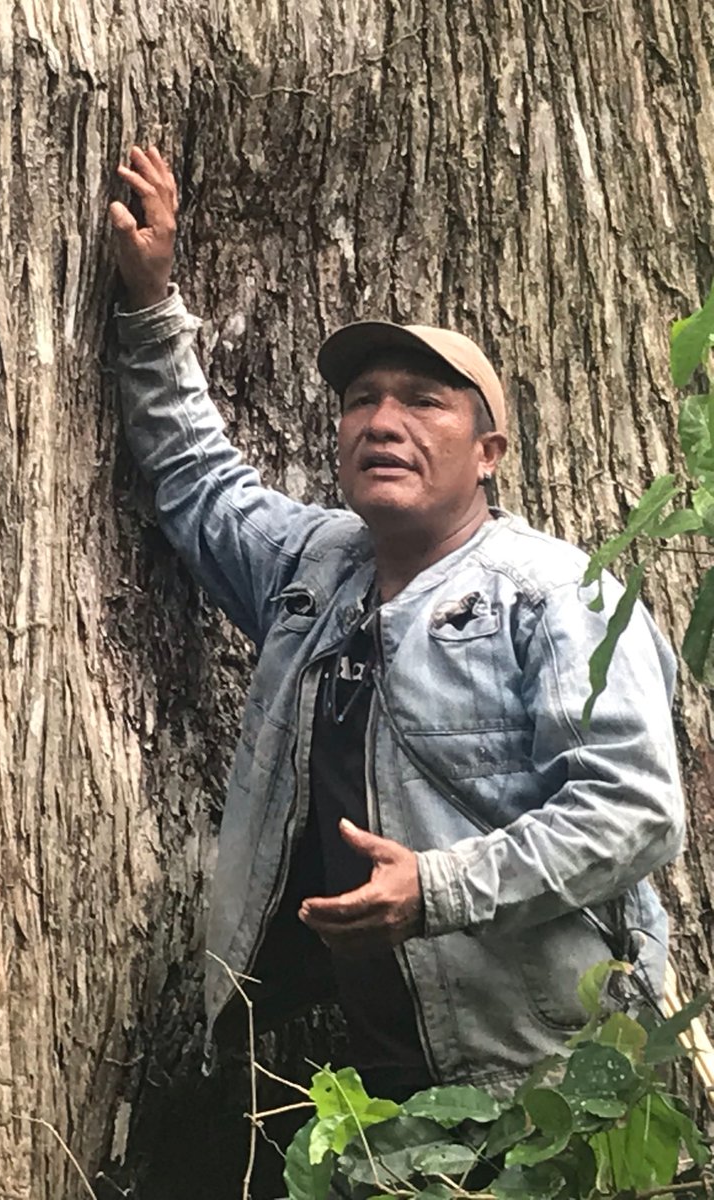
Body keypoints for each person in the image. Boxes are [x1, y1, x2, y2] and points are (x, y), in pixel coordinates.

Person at [107, 144, 685, 1099]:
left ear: (488, 451)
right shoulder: (313, 568)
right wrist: (150, 301)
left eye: (424, 402)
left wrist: (437, 888)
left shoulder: (558, 595)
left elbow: (635, 812)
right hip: (328, 1081)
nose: (383, 421)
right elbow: (197, 479)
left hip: (532, 1086)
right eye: (362, 400)